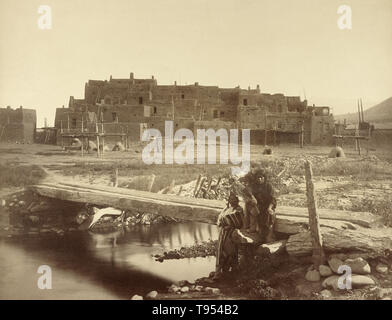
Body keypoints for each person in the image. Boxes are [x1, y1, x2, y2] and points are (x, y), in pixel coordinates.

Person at [240, 168, 277, 243]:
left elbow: (272, 199)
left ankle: (269, 235)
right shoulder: (254, 186)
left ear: (264, 178)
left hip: (267, 206)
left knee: (269, 216)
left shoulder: (268, 186)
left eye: (261, 177)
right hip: (258, 206)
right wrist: (252, 198)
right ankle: (253, 230)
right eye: (258, 177)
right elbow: (247, 192)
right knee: (253, 211)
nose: (260, 179)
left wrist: (270, 208)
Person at [214, 192, 244, 279]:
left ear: (237, 200)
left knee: (231, 251)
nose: (232, 201)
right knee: (221, 251)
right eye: (231, 199)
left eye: (234, 199)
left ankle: (233, 270)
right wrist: (221, 223)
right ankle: (220, 272)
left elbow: (240, 222)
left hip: (231, 233)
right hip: (223, 233)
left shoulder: (239, 209)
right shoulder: (226, 209)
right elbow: (220, 219)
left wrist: (230, 225)